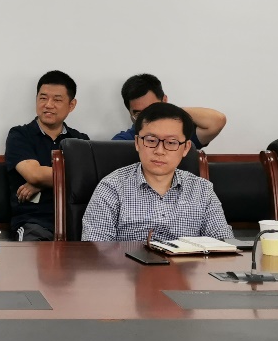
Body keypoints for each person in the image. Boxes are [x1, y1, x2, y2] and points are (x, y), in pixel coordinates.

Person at [83, 102, 232, 242]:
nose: (159, 151)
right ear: (137, 143)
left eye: (171, 142)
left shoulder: (202, 190)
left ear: (186, 148)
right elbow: (96, 249)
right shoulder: (111, 187)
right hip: (128, 262)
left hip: (186, 262)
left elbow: (224, 245)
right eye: (151, 140)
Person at [5, 70, 90, 241]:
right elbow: (34, 174)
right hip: (33, 222)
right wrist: (48, 180)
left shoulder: (80, 141)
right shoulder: (20, 135)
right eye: (43, 98)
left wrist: (42, 184)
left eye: (57, 100)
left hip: (76, 222)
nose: (48, 105)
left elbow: (90, 180)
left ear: (71, 105)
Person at [111, 73, 226, 147]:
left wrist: (169, 111)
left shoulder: (181, 133)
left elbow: (217, 120)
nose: (146, 118)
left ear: (164, 101)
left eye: (152, 109)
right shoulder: (124, 141)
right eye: (138, 113)